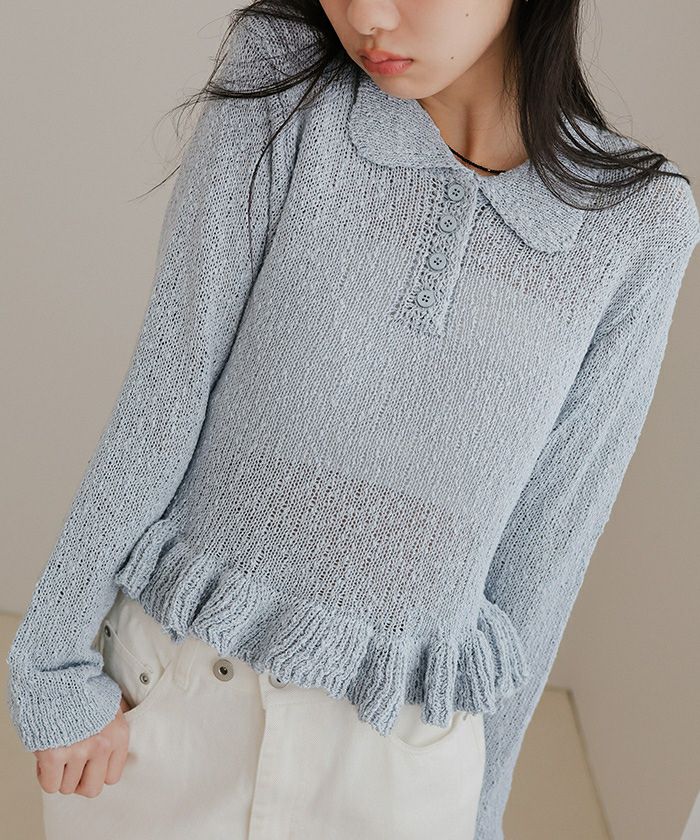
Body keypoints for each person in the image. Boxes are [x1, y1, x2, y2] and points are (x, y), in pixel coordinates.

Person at [6, 1, 699, 839]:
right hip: (174, 702)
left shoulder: (637, 223)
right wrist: (52, 664)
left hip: (399, 765)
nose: (365, 15)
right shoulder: (287, 76)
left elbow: (547, 548)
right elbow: (165, 386)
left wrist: (483, 813)